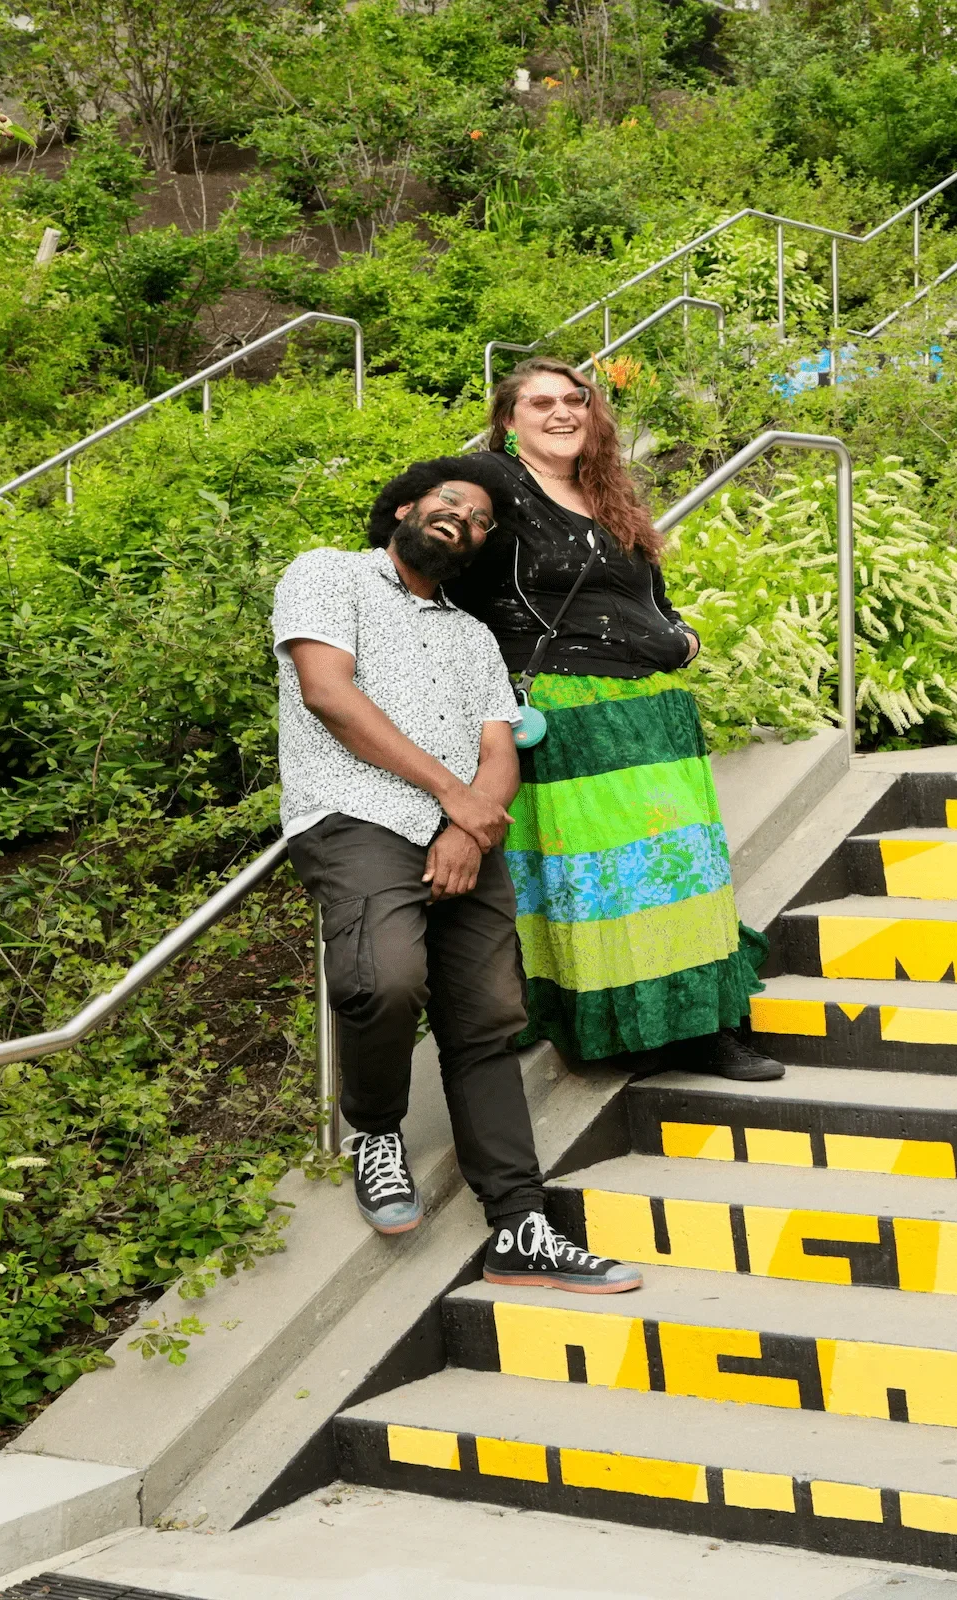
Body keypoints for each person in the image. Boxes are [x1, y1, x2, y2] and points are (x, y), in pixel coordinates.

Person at [273, 455, 640, 1293]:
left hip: (462, 835)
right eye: (451, 502)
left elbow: (497, 747)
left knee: (489, 1021)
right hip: (356, 816)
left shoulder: (473, 636)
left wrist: (468, 829)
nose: (463, 520)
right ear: (405, 506)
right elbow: (328, 693)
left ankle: (521, 1224)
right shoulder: (328, 575)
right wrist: (454, 801)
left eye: (479, 521)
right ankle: (374, 1130)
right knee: (385, 979)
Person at [444, 357, 780, 1081]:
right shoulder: (493, 487)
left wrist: (682, 636)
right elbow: (427, 552)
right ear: (508, 422)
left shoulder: (609, 494)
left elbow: (650, 595)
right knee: (600, 881)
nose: (562, 412)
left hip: (649, 711)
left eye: (575, 400)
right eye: (539, 403)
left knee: (684, 873)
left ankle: (705, 1029)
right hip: (564, 713)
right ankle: (609, 1026)